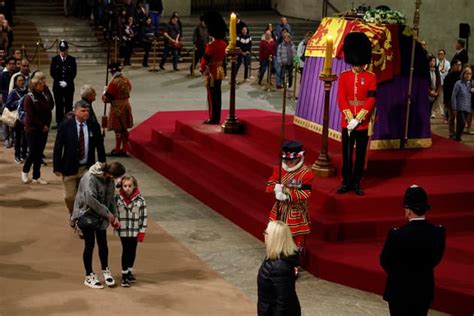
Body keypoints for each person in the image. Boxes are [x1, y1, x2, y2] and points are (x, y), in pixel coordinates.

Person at [380, 184, 445, 316]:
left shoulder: (396, 234)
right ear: (425, 209)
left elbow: (385, 261)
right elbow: (435, 259)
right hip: (423, 289)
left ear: (408, 210)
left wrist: (400, 273)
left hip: (399, 290)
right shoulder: (438, 232)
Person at [72, 161, 126, 289]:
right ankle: (89, 275)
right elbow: (90, 201)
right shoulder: (90, 178)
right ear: (110, 173)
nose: (117, 180)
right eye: (117, 177)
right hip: (87, 215)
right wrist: (108, 214)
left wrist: (115, 216)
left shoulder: (109, 179)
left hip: (101, 216)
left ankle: (105, 270)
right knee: (89, 245)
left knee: (103, 243)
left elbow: (110, 198)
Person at [53, 100, 106, 225]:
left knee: (86, 196)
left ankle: (82, 220)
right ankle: (73, 213)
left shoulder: (94, 126)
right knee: (70, 197)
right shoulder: (65, 125)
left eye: (87, 111)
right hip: (69, 168)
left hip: (87, 168)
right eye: (83, 111)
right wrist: (57, 166)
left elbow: (100, 146)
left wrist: (103, 164)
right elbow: (58, 147)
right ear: (75, 111)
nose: (86, 113)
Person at [336, 32, 376, 196]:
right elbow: (341, 98)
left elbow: (371, 100)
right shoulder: (344, 76)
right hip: (347, 122)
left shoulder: (370, 77)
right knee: (346, 154)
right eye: (356, 63)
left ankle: (357, 181)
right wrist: (349, 118)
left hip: (363, 124)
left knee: (360, 155)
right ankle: (346, 181)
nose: (358, 66)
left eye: (360, 64)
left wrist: (358, 119)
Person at [266, 140, 313, 274]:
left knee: (293, 238)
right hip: (279, 209)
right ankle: (275, 259)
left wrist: (287, 195)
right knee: (275, 234)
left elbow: (305, 193)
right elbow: (269, 185)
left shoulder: (306, 174)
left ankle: (293, 265)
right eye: (286, 160)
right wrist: (275, 189)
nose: (288, 163)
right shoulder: (278, 170)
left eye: (291, 161)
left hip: (295, 210)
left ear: (299, 158)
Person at [257, 220, 301, 316]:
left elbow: (284, 302)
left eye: (266, 233)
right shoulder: (274, 257)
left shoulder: (280, 267)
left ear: (274, 238)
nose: (264, 235)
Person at [21, 72, 54, 184]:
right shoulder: (29, 98)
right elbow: (31, 116)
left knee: (39, 152)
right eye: (40, 84)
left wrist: (47, 91)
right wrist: (42, 126)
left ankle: (36, 176)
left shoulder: (44, 95)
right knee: (33, 152)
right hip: (32, 129)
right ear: (34, 86)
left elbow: (51, 106)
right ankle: (25, 172)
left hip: (43, 129)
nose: (43, 85)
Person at [115, 175, 148, 287]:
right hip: (123, 230)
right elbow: (114, 212)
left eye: (130, 186)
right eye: (125, 186)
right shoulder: (117, 199)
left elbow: (143, 217)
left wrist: (142, 231)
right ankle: (124, 274)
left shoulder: (140, 200)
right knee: (126, 250)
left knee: (133, 250)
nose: (127, 188)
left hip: (135, 230)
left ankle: (129, 271)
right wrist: (114, 223)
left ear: (134, 186)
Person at [200, 11, 227, 125]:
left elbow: (205, 59)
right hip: (220, 70)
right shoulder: (224, 43)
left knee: (212, 96)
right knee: (218, 95)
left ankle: (213, 118)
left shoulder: (212, 45)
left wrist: (202, 68)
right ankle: (217, 117)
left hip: (211, 72)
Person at [102, 62, 133, 156]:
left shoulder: (113, 83)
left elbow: (106, 99)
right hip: (126, 106)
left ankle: (118, 148)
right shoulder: (126, 81)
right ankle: (124, 148)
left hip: (117, 108)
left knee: (118, 129)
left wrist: (104, 92)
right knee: (124, 129)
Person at [50, 40, 77, 127]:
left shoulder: (72, 60)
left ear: (67, 50)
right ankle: (59, 122)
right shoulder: (55, 60)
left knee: (68, 104)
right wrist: (59, 82)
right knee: (59, 105)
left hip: (68, 86)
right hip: (58, 86)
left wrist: (67, 82)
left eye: (65, 50)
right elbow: (52, 72)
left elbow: (73, 73)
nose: (63, 52)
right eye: (61, 50)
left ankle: (68, 121)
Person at [5, 73, 27, 163]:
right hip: (17, 119)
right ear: (16, 82)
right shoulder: (13, 92)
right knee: (18, 138)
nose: (21, 82)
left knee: (26, 138)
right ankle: (17, 156)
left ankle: (24, 155)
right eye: (19, 81)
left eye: (22, 80)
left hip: (26, 118)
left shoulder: (27, 91)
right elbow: (8, 105)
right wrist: (19, 102)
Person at [451, 65, 472, 141]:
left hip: (467, 107)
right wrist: (454, 107)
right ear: (463, 74)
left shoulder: (471, 84)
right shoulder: (458, 83)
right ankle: (457, 137)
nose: (468, 75)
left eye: (470, 74)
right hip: (460, 107)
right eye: (467, 73)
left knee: (461, 124)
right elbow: (453, 96)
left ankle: (457, 136)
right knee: (462, 123)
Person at [443, 59, 462, 138]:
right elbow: (446, 90)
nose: (459, 67)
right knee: (453, 116)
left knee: (460, 117)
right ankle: (451, 132)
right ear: (453, 66)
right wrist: (446, 101)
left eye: (460, 65)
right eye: (457, 65)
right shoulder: (448, 77)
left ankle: (458, 132)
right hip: (451, 99)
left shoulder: (462, 76)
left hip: (461, 99)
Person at [428, 54, 441, 119]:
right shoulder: (426, 71)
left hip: (435, 92)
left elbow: (439, 82)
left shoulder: (436, 70)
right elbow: (425, 84)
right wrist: (430, 92)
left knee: (432, 107)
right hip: (428, 92)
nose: (432, 62)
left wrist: (437, 92)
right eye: (431, 61)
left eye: (434, 61)